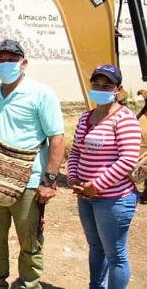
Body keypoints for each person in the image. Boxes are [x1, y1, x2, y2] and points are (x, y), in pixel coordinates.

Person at [0, 39, 65, 289]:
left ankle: (29, 284)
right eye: (0, 60)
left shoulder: (41, 93)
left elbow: (56, 137)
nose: (5, 64)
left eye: (11, 59)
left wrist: (50, 180)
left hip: (30, 182)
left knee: (30, 241)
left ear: (24, 63)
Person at [67, 64, 140, 289]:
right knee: (96, 248)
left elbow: (128, 160)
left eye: (106, 85)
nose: (100, 89)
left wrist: (96, 186)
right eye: (96, 84)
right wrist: (73, 178)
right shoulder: (86, 117)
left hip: (114, 200)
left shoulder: (124, 119)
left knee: (115, 254)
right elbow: (75, 152)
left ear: (117, 89)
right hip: (87, 198)